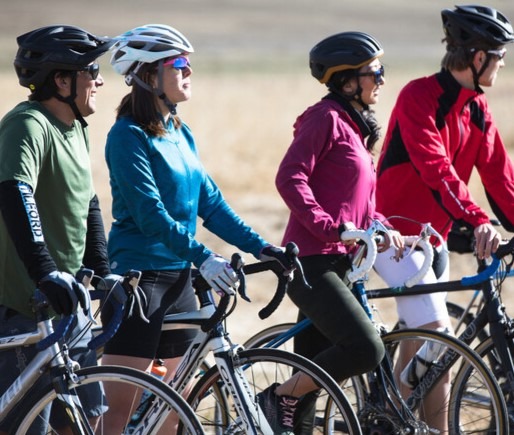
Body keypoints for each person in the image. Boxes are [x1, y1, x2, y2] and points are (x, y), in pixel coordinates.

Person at [99, 24, 293, 433]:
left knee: (179, 404)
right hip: (140, 279)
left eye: (190, 64)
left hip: (178, 279)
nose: (189, 72)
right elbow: (151, 215)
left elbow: (211, 204)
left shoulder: (179, 131)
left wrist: (262, 248)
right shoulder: (127, 136)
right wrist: (204, 256)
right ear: (149, 76)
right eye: (180, 64)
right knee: (118, 411)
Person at [373, 4, 514, 431]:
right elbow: (436, 171)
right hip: (393, 236)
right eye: (499, 54)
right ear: (477, 58)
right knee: (441, 337)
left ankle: (394, 419)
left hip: (434, 241)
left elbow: (499, 176)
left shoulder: (477, 109)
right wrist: (478, 219)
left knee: (421, 345)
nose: (503, 63)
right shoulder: (418, 96)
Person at [272, 31, 404, 433]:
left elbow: (354, 202)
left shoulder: (354, 126)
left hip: (341, 263)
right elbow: (289, 177)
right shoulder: (326, 118)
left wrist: (378, 227)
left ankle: (288, 403)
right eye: (374, 72)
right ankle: (276, 396)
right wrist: (332, 228)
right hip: (313, 263)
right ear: (348, 81)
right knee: (366, 348)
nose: (381, 79)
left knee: (309, 396)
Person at [0, 25, 116, 433]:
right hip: (24, 305)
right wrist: (44, 270)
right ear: (62, 80)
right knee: (25, 425)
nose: (100, 80)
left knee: (87, 420)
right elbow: (16, 193)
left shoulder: (76, 127)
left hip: (69, 303)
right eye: (92, 70)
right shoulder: (28, 124)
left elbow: (88, 202)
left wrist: (102, 270)